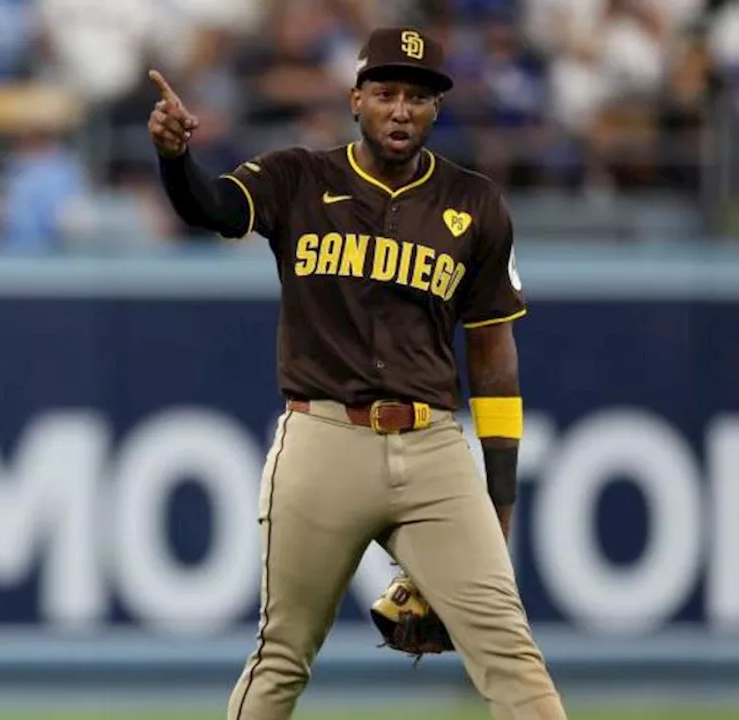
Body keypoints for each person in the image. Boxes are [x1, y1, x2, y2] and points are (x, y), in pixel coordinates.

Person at [147, 26, 568, 720]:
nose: (401, 109)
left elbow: (493, 355)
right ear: (355, 100)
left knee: (512, 654)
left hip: (433, 449)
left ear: (436, 110)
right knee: (282, 656)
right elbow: (213, 208)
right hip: (323, 438)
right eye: (385, 93)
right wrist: (174, 159)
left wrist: (500, 497)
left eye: (418, 96)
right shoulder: (297, 178)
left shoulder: (477, 204)